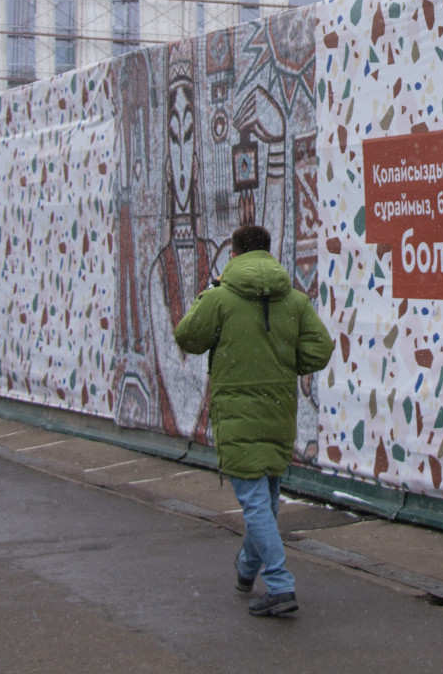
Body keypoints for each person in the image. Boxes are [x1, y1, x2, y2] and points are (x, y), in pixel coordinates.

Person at [173, 224, 334, 619]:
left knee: (255, 502)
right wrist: (283, 366)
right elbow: (320, 349)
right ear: (267, 253)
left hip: (238, 412)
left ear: (235, 255)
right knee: (266, 500)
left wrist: (206, 296)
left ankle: (279, 583)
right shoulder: (294, 300)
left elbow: (187, 337)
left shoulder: (222, 297)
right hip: (279, 410)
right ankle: (247, 570)